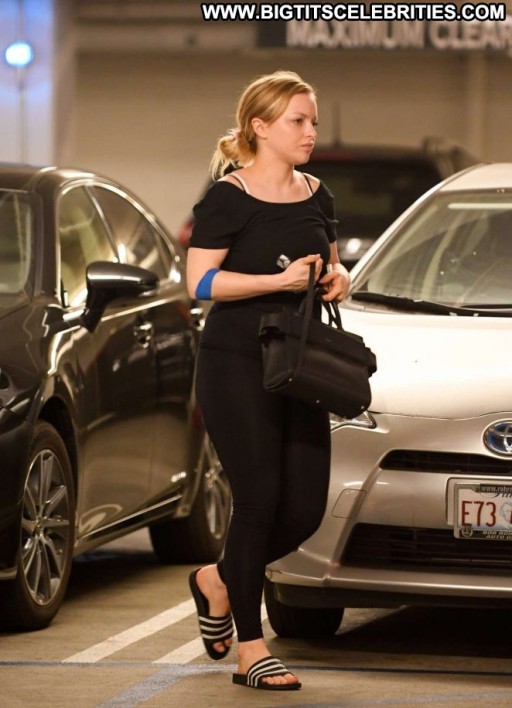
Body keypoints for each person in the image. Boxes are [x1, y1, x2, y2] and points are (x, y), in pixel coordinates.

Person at [186, 70, 350, 692]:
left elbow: (332, 263)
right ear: (260, 127)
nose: (310, 132)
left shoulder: (317, 193)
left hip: (299, 363)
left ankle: (217, 579)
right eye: (297, 121)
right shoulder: (227, 197)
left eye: (313, 121)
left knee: (304, 509)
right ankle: (250, 651)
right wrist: (275, 282)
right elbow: (200, 282)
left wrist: (338, 278)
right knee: (257, 499)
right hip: (235, 361)